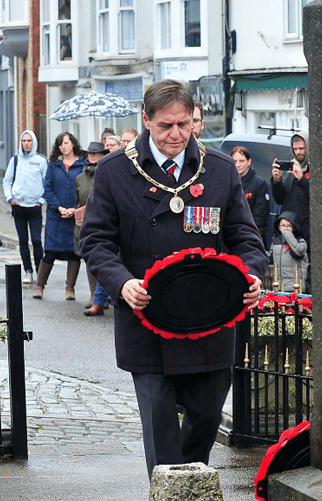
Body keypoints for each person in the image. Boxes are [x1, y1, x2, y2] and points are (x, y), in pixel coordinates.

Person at [79, 79, 267, 478]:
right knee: (161, 429)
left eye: (184, 124)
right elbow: (95, 241)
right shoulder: (115, 172)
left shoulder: (217, 170)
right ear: (146, 120)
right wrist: (121, 282)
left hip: (210, 321)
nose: (176, 135)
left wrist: (250, 277)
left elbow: (246, 239)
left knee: (204, 419)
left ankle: (184, 484)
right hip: (147, 322)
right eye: (166, 126)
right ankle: (171, 489)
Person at [34, 132, 86, 300]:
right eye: (60, 144)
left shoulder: (82, 165)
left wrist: (74, 209)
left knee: (74, 253)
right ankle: (40, 286)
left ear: (73, 144)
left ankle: (70, 288)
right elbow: (47, 189)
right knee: (49, 252)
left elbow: (86, 190)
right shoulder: (54, 165)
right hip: (56, 217)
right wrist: (59, 208)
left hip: (75, 215)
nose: (63, 147)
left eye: (66, 143)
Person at [3, 130, 47, 284]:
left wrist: (41, 200)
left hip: (34, 207)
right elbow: (7, 181)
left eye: (29, 141)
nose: (26, 144)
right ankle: (28, 271)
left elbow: (47, 182)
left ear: (33, 143)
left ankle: (40, 272)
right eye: (24, 141)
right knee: (23, 241)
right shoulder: (15, 160)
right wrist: (10, 198)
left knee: (36, 240)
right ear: (21, 143)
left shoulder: (41, 161)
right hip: (18, 207)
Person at [271, 130, 310, 289]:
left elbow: (316, 197)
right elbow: (280, 199)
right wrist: (277, 180)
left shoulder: (316, 168)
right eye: (295, 149)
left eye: (302, 148)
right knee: (289, 273)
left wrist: (301, 178)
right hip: (289, 229)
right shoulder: (291, 171)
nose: (298, 152)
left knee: (308, 273)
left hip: (307, 230)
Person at [74, 141, 108, 311]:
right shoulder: (80, 177)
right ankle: (95, 296)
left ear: (103, 155)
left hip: (106, 220)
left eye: (96, 153)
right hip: (87, 222)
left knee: (107, 256)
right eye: (90, 153)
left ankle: (103, 297)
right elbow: (76, 199)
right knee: (90, 257)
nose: (92, 156)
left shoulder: (109, 172)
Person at [231, 146, 270, 249]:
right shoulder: (227, 182)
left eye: (241, 161)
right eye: (234, 161)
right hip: (230, 237)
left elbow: (260, 217)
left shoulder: (259, 183)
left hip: (251, 238)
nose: (238, 165)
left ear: (249, 162)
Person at [270, 211, 308, 293]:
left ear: (294, 228)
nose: (285, 228)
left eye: (289, 226)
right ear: (279, 227)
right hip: (279, 287)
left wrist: (287, 234)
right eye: (283, 225)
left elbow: (299, 251)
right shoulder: (276, 241)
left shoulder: (300, 241)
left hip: (295, 288)